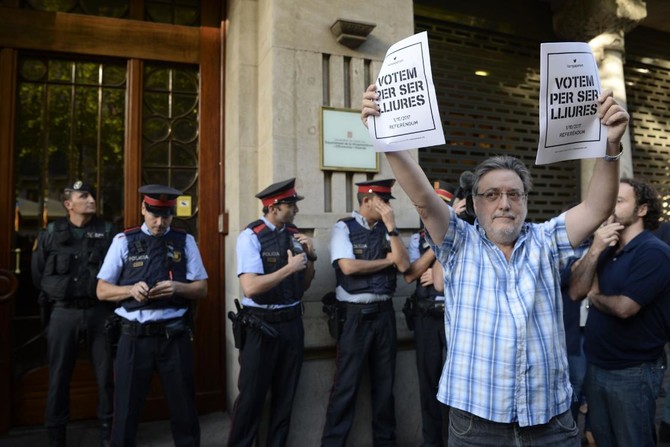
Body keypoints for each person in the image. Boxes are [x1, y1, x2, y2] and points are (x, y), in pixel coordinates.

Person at [361, 84, 629, 446]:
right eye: (492, 195)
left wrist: (610, 147)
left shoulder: (546, 240)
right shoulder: (459, 242)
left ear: (525, 202)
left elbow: (597, 207)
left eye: (514, 194)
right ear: (475, 204)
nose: (504, 203)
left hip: (550, 423)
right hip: (477, 427)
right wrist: (387, 138)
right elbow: (424, 199)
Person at [96, 184, 208, 447]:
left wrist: (178, 287)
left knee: (184, 411)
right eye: (155, 215)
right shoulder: (124, 240)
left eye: (166, 216)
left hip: (174, 336)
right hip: (134, 339)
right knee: (125, 412)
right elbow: (101, 290)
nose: (160, 222)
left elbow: (202, 288)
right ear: (143, 209)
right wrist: (130, 289)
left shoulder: (185, 240)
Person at [568, 178, 670, 446]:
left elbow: (625, 308)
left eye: (620, 201)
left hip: (634, 371)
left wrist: (595, 294)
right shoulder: (607, 247)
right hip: (598, 364)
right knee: (601, 440)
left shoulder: (654, 252)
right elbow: (577, 291)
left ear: (642, 210)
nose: (611, 206)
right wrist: (596, 248)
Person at [321, 179, 410, 447]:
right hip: (354, 316)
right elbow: (348, 267)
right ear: (367, 200)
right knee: (346, 387)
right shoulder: (343, 228)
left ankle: (386, 442)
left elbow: (404, 265)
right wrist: (386, 262)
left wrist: (393, 229)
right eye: (383, 201)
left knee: (385, 387)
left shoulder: (387, 229)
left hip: (383, 313)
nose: (387, 207)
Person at [228, 178, 316, 446]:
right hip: (260, 327)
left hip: (291, 323)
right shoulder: (250, 236)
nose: (296, 210)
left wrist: (310, 258)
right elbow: (251, 287)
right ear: (274, 207)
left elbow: (304, 286)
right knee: (251, 398)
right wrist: (289, 268)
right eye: (291, 205)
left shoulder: (293, 233)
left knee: (285, 397)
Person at [31, 180, 116, 447]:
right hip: (63, 314)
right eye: (84, 195)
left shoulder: (108, 231)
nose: (91, 199)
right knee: (58, 376)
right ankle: (56, 434)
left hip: (99, 312)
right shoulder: (51, 233)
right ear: (69, 204)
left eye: (92, 194)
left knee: (106, 376)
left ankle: (109, 432)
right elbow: (38, 274)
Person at [402, 180, 455, 447]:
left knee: (457, 385)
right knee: (428, 383)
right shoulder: (416, 239)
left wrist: (447, 237)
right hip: (426, 317)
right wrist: (439, 246)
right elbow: (411, 274)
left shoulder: (462, 235)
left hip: (454, 318)